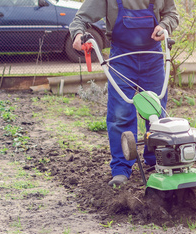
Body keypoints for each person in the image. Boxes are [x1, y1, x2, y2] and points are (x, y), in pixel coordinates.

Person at [69, 0, 179, 187]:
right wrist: (78, 34)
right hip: (122, 58)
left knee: (156, 112)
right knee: (120, 114)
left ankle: (157, 160)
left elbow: (172, 15)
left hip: (152, 57)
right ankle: (121, 168)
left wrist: (163, 25)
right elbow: (81, 18)